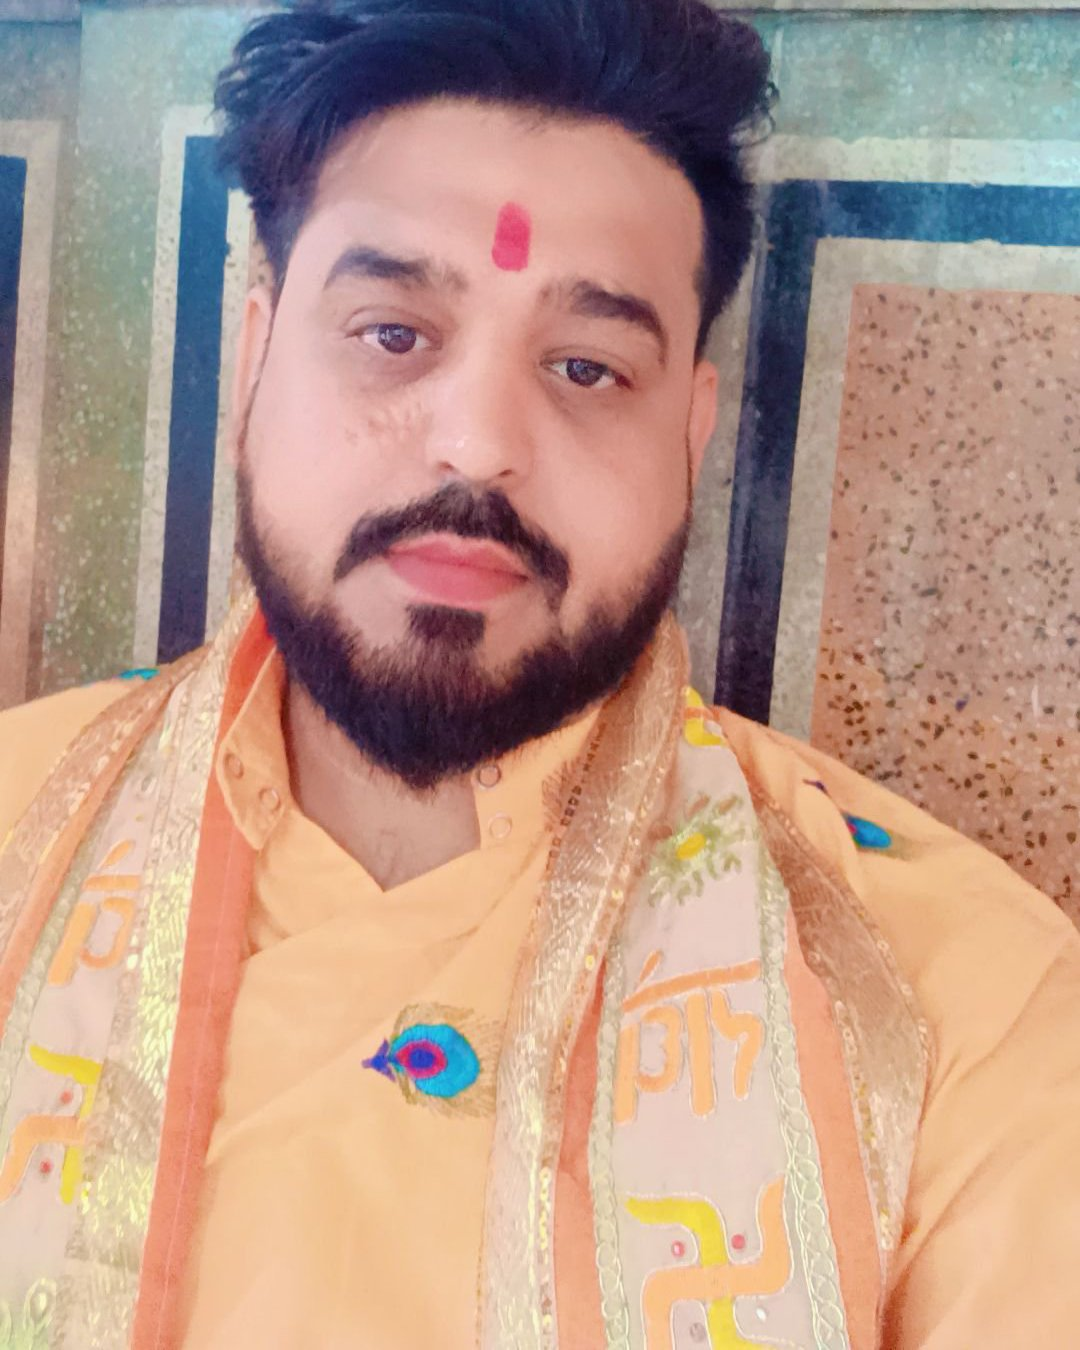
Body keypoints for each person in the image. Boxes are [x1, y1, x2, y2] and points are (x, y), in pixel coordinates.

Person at [1, 0, 1077, 1345]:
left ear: (691, 433)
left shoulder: (968, 1012)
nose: (478, 443)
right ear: (254, 361)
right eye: (394, 332)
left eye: (586, 365)